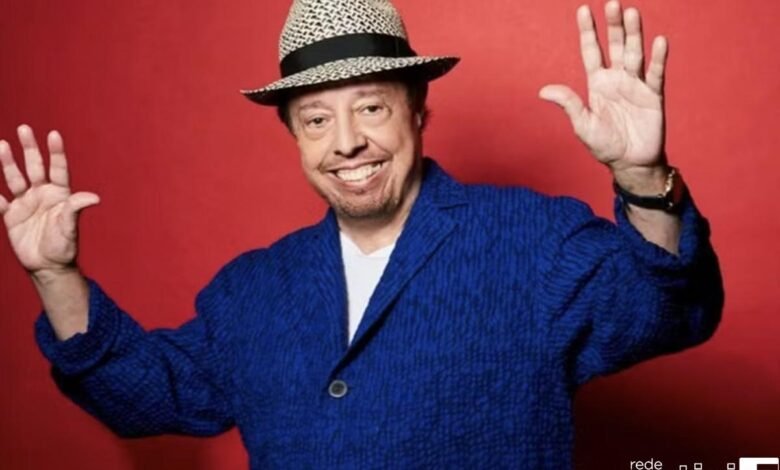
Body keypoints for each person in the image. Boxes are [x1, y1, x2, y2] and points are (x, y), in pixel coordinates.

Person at [0, 0, 723, 468]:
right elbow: (145, 397)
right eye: (316, 119)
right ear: (294, 138)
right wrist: (56, 277)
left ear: (418, 112)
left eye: (371, 108)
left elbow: (666, 312)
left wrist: (642, 175)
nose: (346, 142)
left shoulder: (531, 239)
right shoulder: (252, 289)